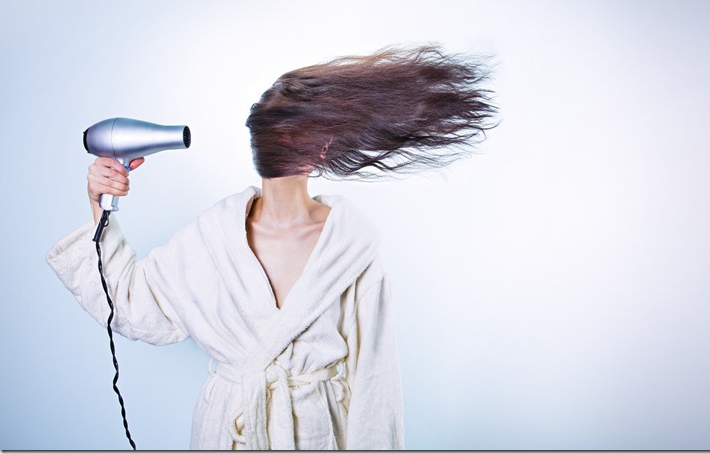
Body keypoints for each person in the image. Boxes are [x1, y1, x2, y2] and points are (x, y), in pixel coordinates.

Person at [46, 45, 497, 450]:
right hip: (229, 434)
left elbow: (375, 383)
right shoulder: (212, 237)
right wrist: (98, 207)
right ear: (322, 147)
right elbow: (134, 310)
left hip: (320, 435)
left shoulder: (350, 246)